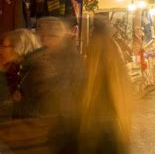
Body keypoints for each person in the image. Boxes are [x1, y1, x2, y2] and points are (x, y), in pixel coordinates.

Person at [79, 18, 132, 153]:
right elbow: (121, 82)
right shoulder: (112, 47)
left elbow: (89, 81)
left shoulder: (95, 46)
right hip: (111, 118)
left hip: (99, 118)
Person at [36, 17, 85, 152]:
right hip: (58, 124)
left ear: (55, 37)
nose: (42, 40)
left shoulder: (67, 58)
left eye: (45, 36)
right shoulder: (52, 55)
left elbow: (63, 94)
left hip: (63, 124)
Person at [0, 29, 58, 119]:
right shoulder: (23, 67)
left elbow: (43, 111)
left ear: (18, 47)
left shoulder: (40, 69)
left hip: (34, 129)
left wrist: (11, 105)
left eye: (4, 46)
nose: (1, 51)